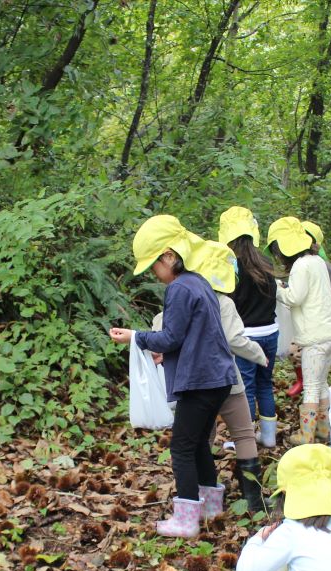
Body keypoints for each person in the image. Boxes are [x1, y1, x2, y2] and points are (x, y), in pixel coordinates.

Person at [110, 215, 238, 537]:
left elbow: (171, 337)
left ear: (169, 256)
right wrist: (166, 352)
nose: (154, 272)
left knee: (180, 447)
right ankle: (210, 507)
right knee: (196, 445)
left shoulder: (179, 288)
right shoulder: (199, 282)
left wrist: (135, 337)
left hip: (200, 381)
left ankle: (185, 519)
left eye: (154, 264)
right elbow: (197, 334)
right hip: (217, 378)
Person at [156, 235, 269, 515]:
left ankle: (200, 497)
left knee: (197, 440)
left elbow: (163, 330)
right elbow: (234, 339)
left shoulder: (184, 294)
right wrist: (259, 354)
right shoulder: (223, 304)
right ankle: (252, 501)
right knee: (243, 435)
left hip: (195, 383)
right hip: (227, 381)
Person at [267, 217, 331, 445]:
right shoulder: (317, 261)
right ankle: (322, 429)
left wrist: (277, 289)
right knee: (321, 384)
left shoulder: (300, 265)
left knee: (310, 387)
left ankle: (306, 435)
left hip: (314, 336)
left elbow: (294, 298)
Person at [221, 207, 280, 448]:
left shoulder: (230, 265)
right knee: (265, 383)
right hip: (270, 333)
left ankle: (243, 439)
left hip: (245, 337)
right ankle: (269, 435)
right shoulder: (265, 263)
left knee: (245, 388)